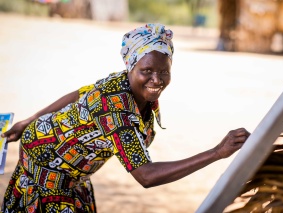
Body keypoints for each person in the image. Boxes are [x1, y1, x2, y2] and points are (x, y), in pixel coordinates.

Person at [1, 23, 250, 212]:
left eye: (164, 71)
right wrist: (217, 152)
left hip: (73, 173)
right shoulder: (116, 111)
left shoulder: (125, 84)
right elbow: (146, 176)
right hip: (45, 170)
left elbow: (79, 93)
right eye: (147, 71)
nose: (157, 79)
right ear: (131, 67)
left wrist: (30, 119)